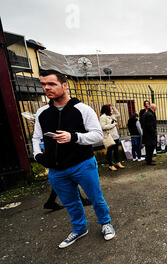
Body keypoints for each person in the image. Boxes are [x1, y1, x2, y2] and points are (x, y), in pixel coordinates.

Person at [33, 69, 115, 248]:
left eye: (51, 84)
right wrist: (37, 155)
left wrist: (74, 137)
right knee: (70, 202)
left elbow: (96, 135)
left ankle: (106, 223)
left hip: (82, 164)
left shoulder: (82, 109)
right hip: (56, 169)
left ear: (64, 85)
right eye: (43, 84)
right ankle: (79, 229)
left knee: (95, 197)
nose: (47, 88)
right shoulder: (42, 113)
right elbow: (36, 137)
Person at [100, 104, 125, 171]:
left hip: (115, 136)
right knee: (110, 151)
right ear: (107, 110)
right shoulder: (103, 117)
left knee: (116, 151)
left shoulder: (111, 116)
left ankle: (118, 162)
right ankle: (110, 165)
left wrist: (113, 106)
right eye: (111, 109)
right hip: (109, 137)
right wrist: (113, 125)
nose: (112, 110)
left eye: (112, 109)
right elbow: (103, 127)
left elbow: (118, 114)